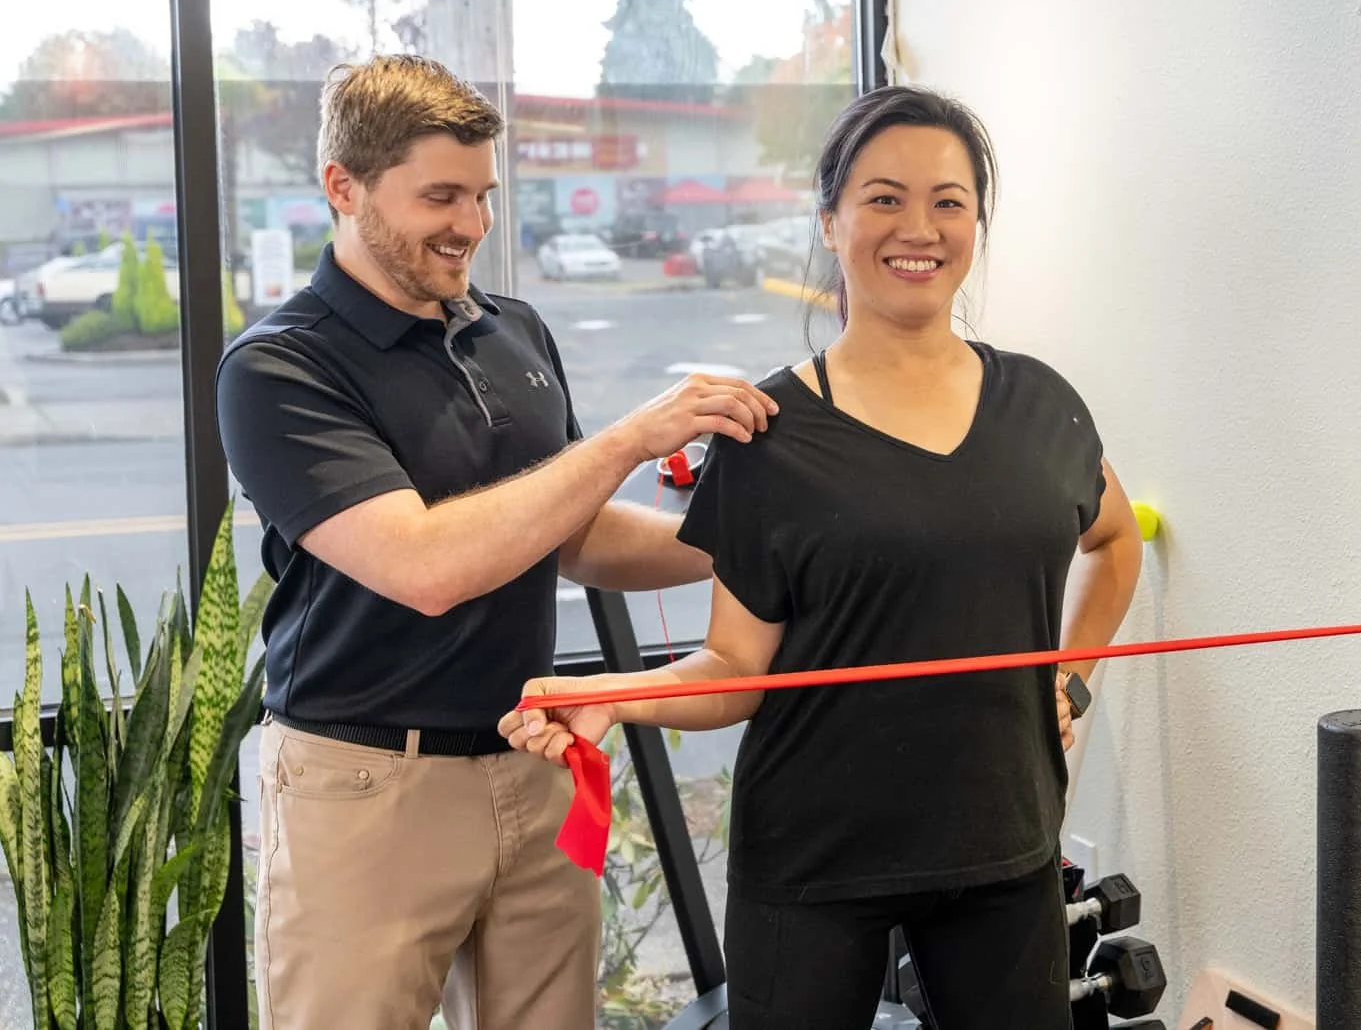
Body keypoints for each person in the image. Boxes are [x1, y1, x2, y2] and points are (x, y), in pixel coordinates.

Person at [504, 85, 1146, 1030]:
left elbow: (1116, 540)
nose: (917, 227)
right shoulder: (769, 435)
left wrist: (1076, 673)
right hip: (812, 865)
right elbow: (734, 668)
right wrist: (611, 693)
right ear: (831, 220)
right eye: (884, 197)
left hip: (1003, 846)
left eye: (949, 200)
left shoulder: (1045, 408)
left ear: (977, 222)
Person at [216, 55, 778, 1029]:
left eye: (482, 194)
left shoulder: (509, 330)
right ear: (342, 187)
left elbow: (574, 534)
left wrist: (751, 538)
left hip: (537, 762)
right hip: (366, 786)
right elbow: (424, 565)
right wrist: (625, 439)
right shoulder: (277, 368)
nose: (471, 224)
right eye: (440, 196)